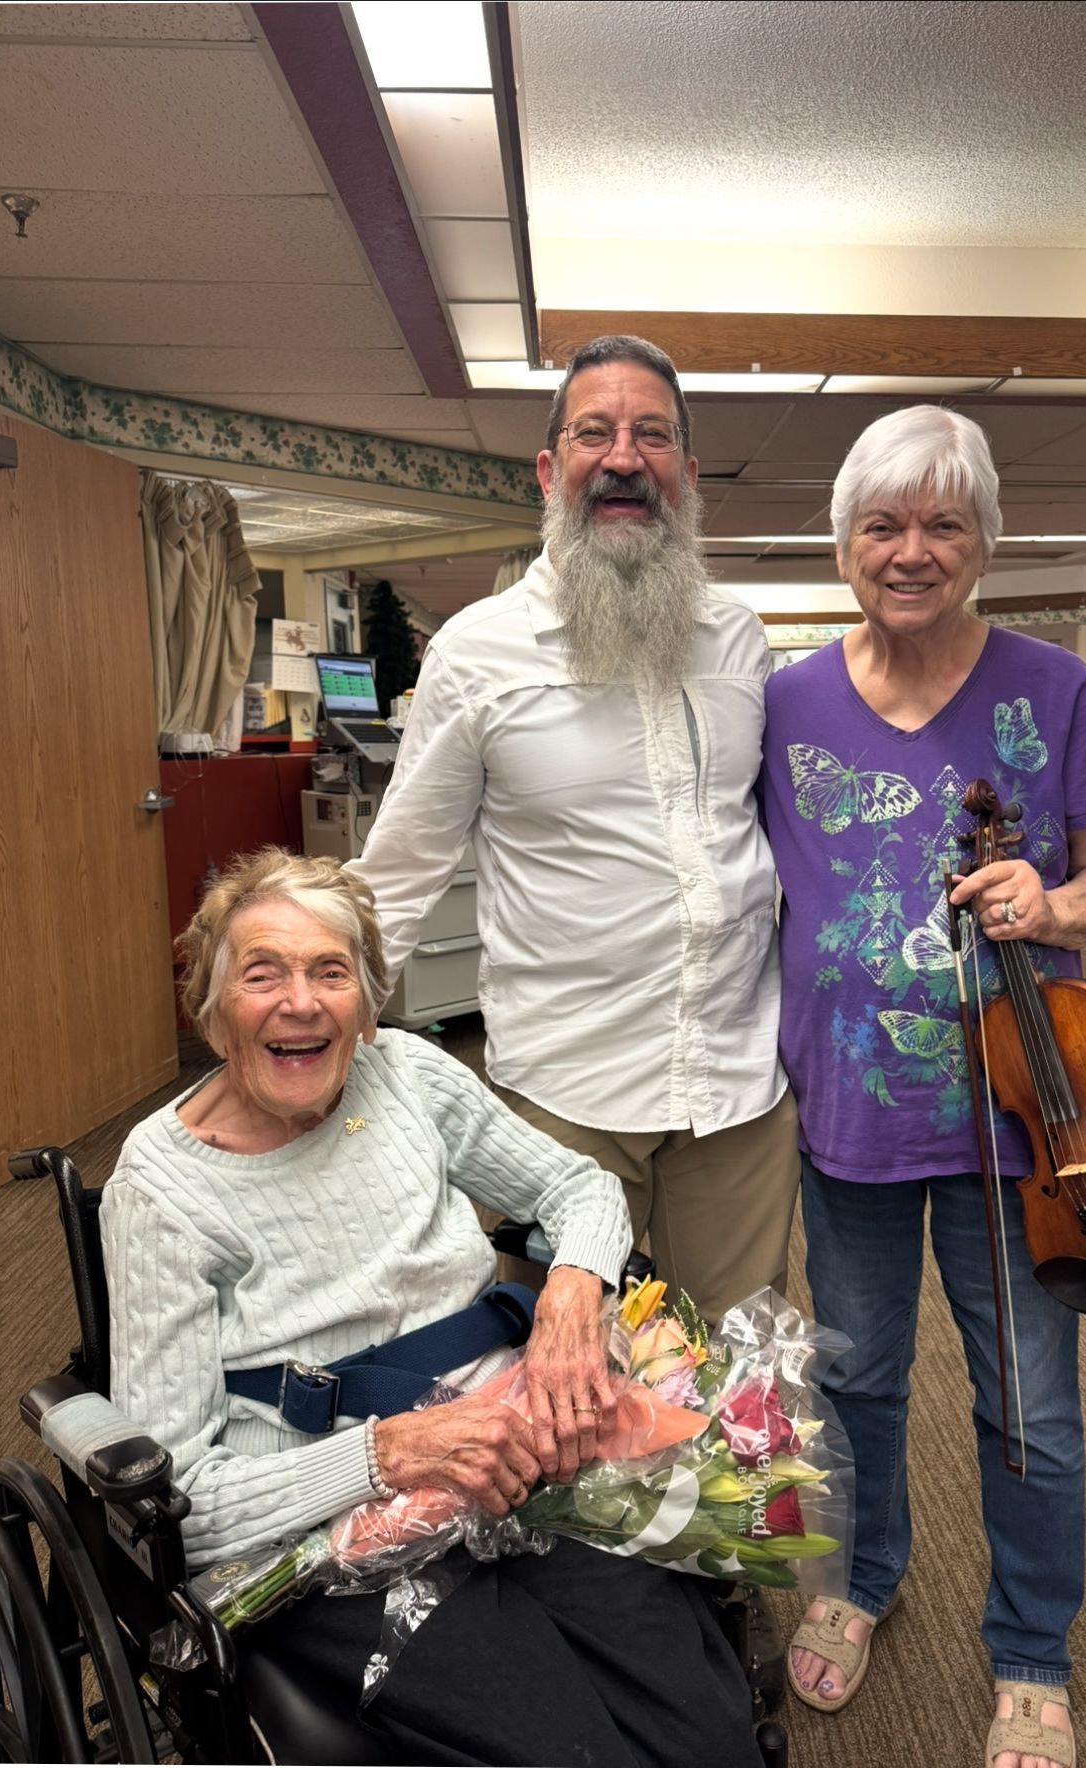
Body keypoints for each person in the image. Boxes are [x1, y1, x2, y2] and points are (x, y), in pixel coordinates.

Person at [100, 849, 763, 1767]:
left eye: (331, 972)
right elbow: (179, 1503)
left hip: (531, 1461)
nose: (301, 1002)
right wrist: (388, 1454)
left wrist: (571, 1296)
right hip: (333, 1540)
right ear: (212, 1015)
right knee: (576, 1749)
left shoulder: (407, 1074)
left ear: (367, 1010)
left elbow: (580, 1189)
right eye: (263, 974)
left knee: (713, 1736)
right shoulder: (162, 1187)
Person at [759, 406, 1086, 1768]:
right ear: (845, 541)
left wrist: (1054, 897)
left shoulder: (1056, 690)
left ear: (985, 541)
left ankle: (1031, 1649)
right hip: (848, 1118)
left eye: (942, 524)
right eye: (884, 523)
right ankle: (861, 1580)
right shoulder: (786, 700)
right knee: (855, 1379)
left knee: (1026, 1399)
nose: (911, 550)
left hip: (1025, 1125)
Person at [348, 334, 800, 1323]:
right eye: (595, 432)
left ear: (684, 470)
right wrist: (312, 1033)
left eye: (654, 435)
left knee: (740, 1383)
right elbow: (403, 872)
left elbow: (780, 838)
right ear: (552, 470)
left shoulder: (737, 638)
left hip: (736, 1092)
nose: (625, 456)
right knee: (564, 1415)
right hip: (563, 1098)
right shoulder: (478, 653)